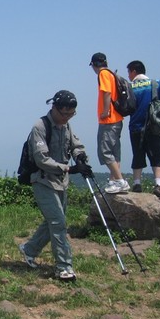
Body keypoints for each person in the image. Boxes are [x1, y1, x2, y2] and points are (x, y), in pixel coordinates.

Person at [18, 90, 91, 281]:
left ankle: (29, 249)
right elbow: (41, 159)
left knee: (54, 221)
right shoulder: (40, 127)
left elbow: (75, 145)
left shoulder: (66, 126)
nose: (66, 117)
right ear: (54, 108)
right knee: (58, 222)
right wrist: (68, 169)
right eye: (64, 113)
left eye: (71, 114)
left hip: (61, 182)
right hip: (42, 180)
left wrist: (80, 156)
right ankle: (64, 267)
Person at [126, 60, 160, 199]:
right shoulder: (155, 83)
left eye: (129, 72)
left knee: (137, 154)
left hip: (135, 126)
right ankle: (158, 185)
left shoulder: (130, 87)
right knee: (157, 155)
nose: (128, 75)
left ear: (133, 71)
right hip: (153, 126)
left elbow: (127, 107)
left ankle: (137, 184)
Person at [89, 52, 130, 194]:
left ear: (94, 64)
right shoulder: (112, 73)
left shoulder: (103, 74)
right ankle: (114, 181)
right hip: (117, 118)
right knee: (114, 151)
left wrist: (105, 111)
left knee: (105, 152)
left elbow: (106, 93)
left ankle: (119, 181)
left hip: (109, 119)